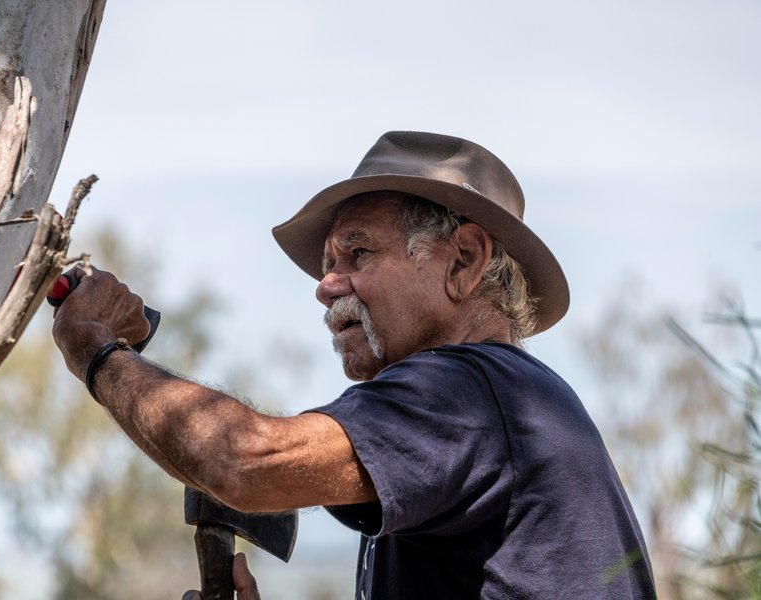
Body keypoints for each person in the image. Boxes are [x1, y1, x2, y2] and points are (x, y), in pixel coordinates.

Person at [52, 131, 656, 598]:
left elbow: (242, 459)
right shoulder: (479, 416)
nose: (326, 287)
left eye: (358, 252)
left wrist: (96, 351)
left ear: (464, 261)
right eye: (327, 265)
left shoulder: (469, 391)